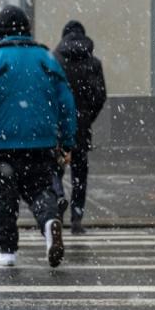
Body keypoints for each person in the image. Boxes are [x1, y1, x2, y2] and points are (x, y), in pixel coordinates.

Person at [0, 5, 77, 268]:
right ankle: (50, 222)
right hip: (42, 142)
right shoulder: (47, 60)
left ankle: (8, 250)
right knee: (40, 190)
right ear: (27, 29)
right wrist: (67, 141)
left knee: (4, 198)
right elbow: (66, 104)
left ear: (0, 31)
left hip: (1, 144)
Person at [54, 20, 107, 235]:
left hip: (59, 127)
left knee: (56, 169)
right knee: (80, 173)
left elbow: (51, 93)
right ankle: (77, 220)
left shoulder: (55, 61)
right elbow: (99, 96)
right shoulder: (93, 63)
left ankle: (56, 208)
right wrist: (86, 117)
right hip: (82, 125)